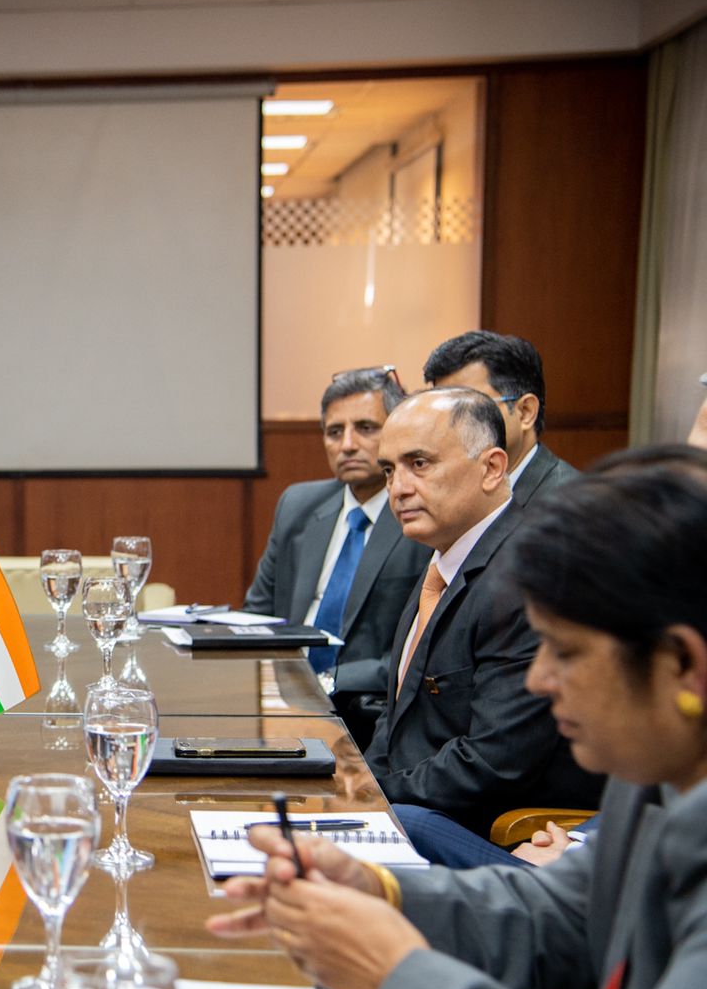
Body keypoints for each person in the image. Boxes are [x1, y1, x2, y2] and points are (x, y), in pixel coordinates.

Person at [208, 454, 707, 989]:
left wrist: (395, 977)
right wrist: (378, 891)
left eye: (566, 652)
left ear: (682, 664)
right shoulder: (656, 769)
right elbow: (564, 916)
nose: (539, 679)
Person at [364, 388, 602, 848]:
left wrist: (370, 796)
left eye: (419, 463)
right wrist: (353, 789)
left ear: (492, 468)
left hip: (492, 835)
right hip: (409, 807)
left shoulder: (528, 575)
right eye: (389, 470)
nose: (398, 488)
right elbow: (396, 724)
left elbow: (495, 762)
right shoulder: (443, 560)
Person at [243, 366, 429, 747]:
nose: (347, 444)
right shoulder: (298, 505)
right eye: (334, 432)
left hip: (367, 714)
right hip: (280, 703)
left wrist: (325, 681)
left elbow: (418, 654)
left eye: (366, 428)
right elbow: (257, 617)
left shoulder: (421, 519)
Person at [423, 330, 578, 507]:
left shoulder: (571, 503)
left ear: (525, 412)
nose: (451, 425)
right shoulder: (441, 491)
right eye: (444, 411)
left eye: (470, 408)